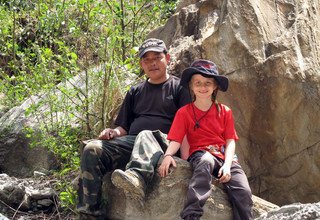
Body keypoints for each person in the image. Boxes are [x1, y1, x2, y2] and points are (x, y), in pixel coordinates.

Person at [77, 38, 191, 219]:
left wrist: (187, 160)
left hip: (165, 144)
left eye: (157, 57)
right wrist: (113, 133)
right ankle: (90, 213)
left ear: (167, 59)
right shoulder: (135, 91)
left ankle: (137, 178)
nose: (152, 63)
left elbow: (187, 126)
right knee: (92, 149)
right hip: (134, 142)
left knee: (146, 134)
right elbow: (124, 126)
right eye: (147, 59)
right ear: (141, 64)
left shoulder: (179, 88)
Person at [158, 59, 253, 220]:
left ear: (215, 86)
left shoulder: (225, 111)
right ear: (191, 86)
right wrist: (167, 156)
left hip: (224, 157)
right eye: (198, 83)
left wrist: (228, 166)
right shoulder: (184, 112)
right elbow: (176, 139)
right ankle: (191, 214)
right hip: (200, 154)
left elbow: (230, 141)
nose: (203, 87)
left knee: (243, 191)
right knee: (206, 161)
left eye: (208, 83)